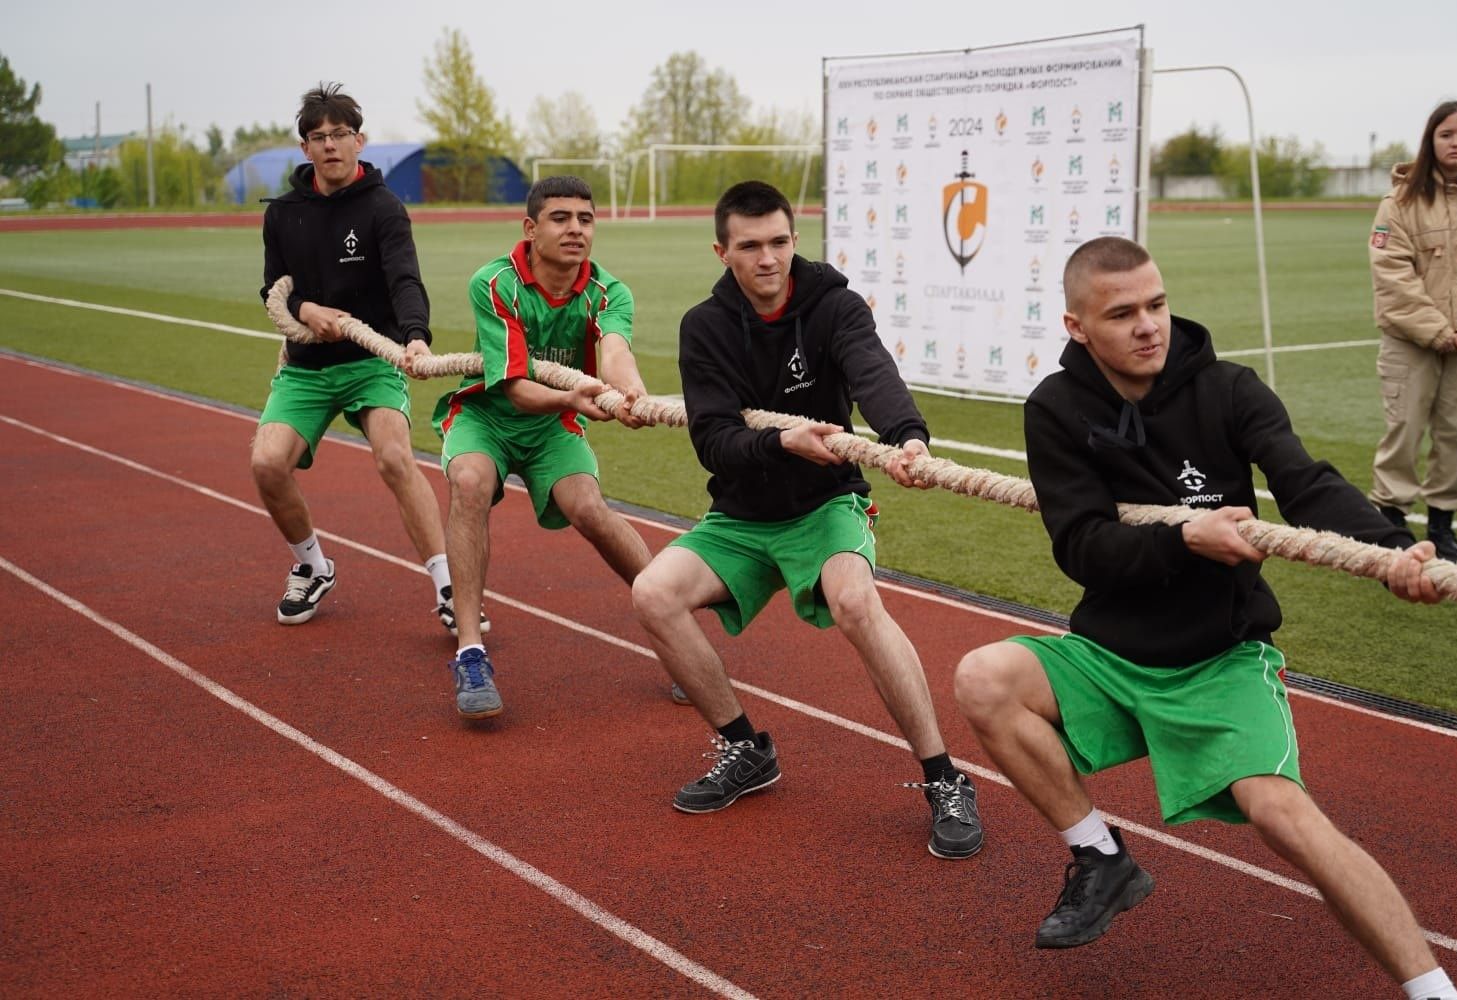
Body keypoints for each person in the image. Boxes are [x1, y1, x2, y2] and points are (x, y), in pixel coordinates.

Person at [952, 236, 1457, 999]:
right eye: (1122, 313)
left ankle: (1435, 992)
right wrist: (1186, 537)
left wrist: (1390, 552)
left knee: (1284, 816)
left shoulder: (1228, 389)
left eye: (1156, 304)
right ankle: (1100, 857)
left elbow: (1304, 482)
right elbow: (1084, 547)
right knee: (982, 677)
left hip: (1221, 656)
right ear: (1076, 327)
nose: (1148, 325)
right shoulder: (1056, 410)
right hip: (1114, 655)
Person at [630, 180, 984, 861]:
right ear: (722, 250)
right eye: (750, 246)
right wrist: (779, 441)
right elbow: (713, 440)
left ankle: (944, 777)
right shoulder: (705, 327)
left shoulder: (835, 306)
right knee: (653, 593)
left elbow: (871, 372)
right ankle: (744, 749)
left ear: (796, 240)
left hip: (826, 502)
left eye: (780, 243)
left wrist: (906, 434)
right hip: (742, 512)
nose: (768, 259)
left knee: (855, 600)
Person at [433, 175, 652, 720]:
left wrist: (631, 391)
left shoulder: (609, 291)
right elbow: (513, 387)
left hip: (553, 424)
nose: (575, 229)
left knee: (589, 508)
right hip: (490, 417)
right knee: (470, 483)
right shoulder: (495, 282)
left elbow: (615, 349)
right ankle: (470, 652)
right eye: (561, 218)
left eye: (585, 218)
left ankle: (677, 627)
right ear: (531, 229)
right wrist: (574, 395)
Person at [252, 83, 462, 632]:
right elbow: (274, 288)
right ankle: (312, 566)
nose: (330, 146)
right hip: (307, 365)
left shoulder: (384, 208)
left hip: (372, 361)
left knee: (394, 456)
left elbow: (405, 280)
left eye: (340, 135)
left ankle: (449, 586)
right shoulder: (282, 215)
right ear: (305, 149)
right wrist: (305, 308)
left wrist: (415, 336)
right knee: (267, 464)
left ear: (359, 141)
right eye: (318, 137)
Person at [1368, 99, 1457, 565]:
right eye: (1447, 134)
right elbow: (1391, 273)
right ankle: (1392, 522)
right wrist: (1437, 329)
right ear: (1431, 141)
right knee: (1404, 427)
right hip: (1412, 341)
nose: (1456, 142)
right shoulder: (1400, 203)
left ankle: (1442, 526)